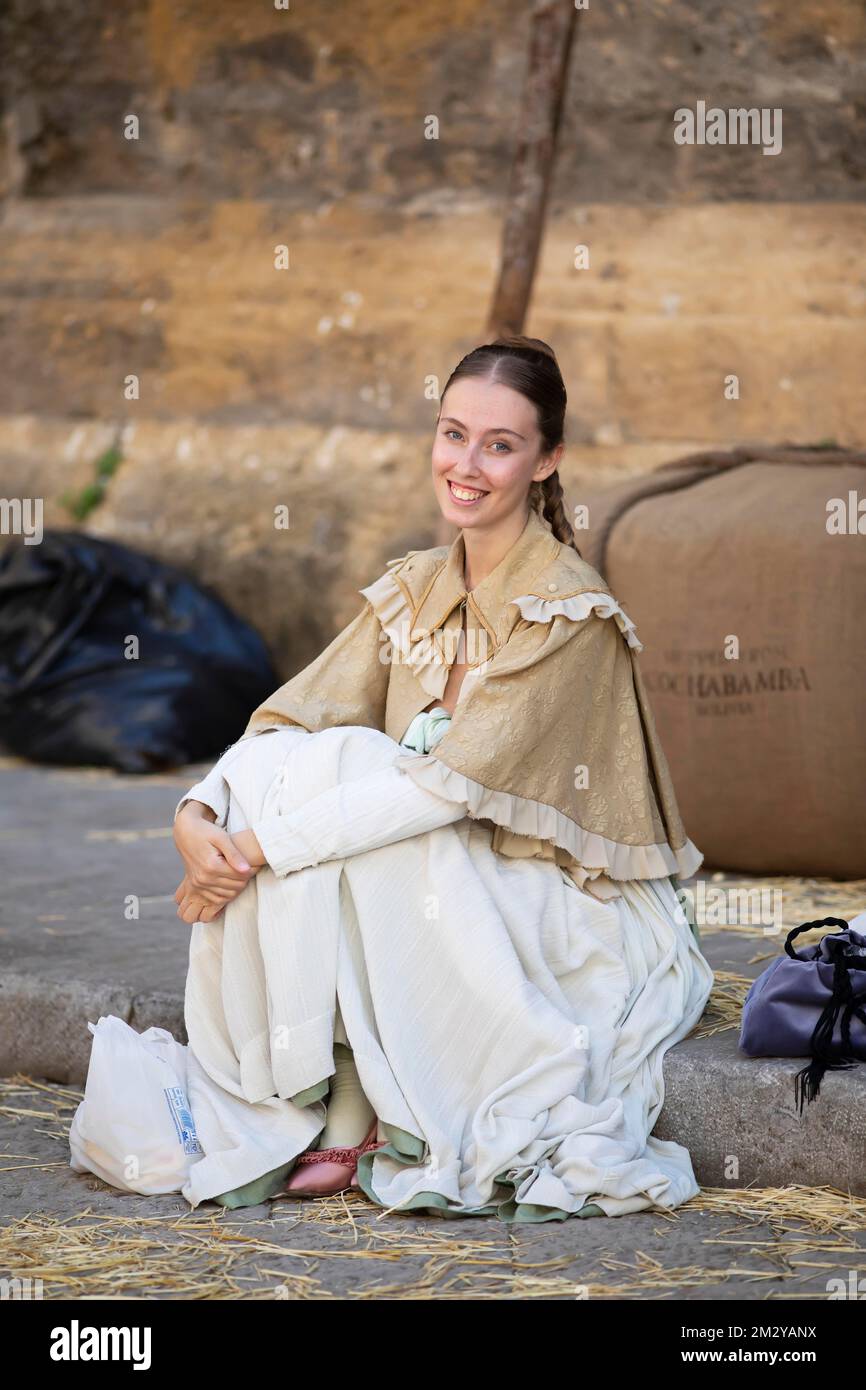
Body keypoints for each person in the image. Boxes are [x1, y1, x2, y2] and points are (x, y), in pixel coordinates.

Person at [171, 335, 714, 1220]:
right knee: (315, 760)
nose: (466, 465)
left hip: (566, 901)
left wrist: (257, 849)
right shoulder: (417, 586)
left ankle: (353, 1113)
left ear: (547, 461)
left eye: (499, 444)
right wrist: (198, 819)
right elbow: (290, 718)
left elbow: (443, 790)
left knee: (366, 783)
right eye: (452, 433)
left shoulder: (567, 611)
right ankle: (323, 1087)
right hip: (442, 866)